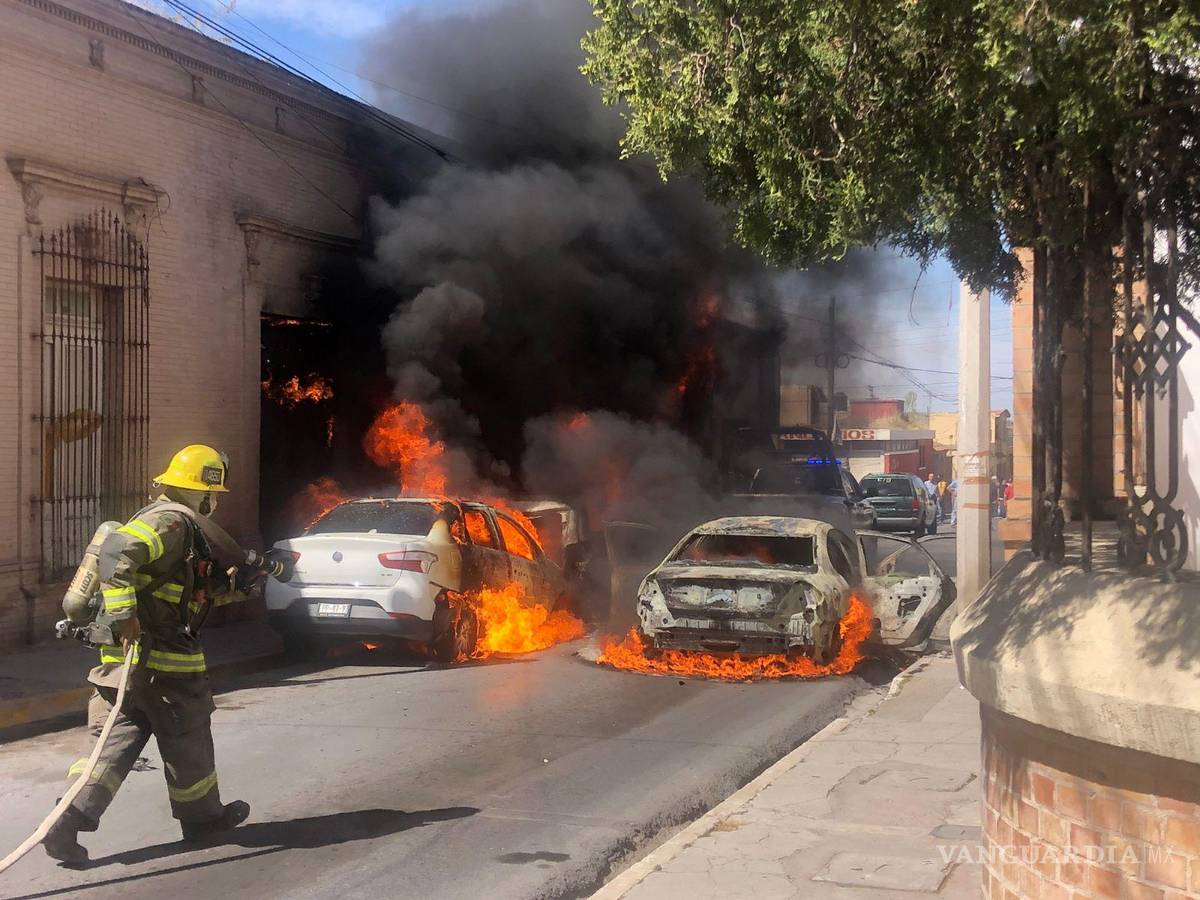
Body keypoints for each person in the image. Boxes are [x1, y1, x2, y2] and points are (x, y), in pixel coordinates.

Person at [43, 445, 289, 864]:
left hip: (126, 666)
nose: (218, 502)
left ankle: (65, 821)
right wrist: (125, 617)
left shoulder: (179, 529)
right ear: (204, 491)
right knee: (189, 744)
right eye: (217, 494)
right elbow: (118, 556)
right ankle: (203, 821)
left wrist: (239, 587)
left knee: (109, 747)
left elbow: (182, 592)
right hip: (165, 665)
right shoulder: (172, 520)